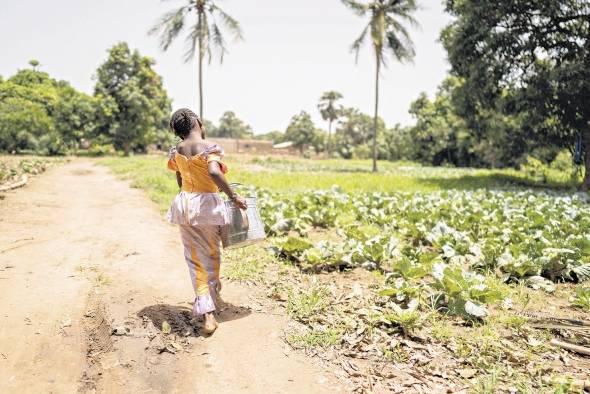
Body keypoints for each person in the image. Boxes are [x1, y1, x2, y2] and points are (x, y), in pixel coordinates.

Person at [166, 108, 247, 335]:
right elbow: (213, 171)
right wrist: (233, 196)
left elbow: (179, 176)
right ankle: (209, 311)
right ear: (198, 123)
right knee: (212, 255)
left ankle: (208, 303)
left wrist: (187, 194)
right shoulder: (210, 147)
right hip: (208, 207)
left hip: (186, 204)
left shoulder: (177, 151)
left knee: (194, 259)